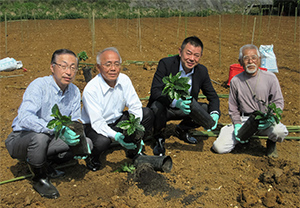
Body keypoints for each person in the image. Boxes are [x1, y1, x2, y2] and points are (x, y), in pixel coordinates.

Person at [5, 49, 92, 199]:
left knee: (87, 143)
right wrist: (56, 128)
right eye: (63, 66)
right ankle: (39, 178)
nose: (68, 72)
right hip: (22, 138)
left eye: (73, 67)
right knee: (40, 138)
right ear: (52, 67)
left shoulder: (75, 91)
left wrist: (79, 141)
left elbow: (75, 119)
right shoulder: (39, 86)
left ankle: (45, 161)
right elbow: (24, 117)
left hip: (50, 139)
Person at [81, 47, 154, 171]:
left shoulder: (124, 80)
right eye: (108, 64)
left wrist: (136, 129)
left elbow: (135, 105)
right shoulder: (91, 89)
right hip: (94, 126)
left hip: (117, 120)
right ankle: (93, 157)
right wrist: (117, 136)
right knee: (102, 142)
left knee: (147, 114)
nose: (113, 68)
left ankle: (132, 149)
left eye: (116, 64)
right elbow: (98, 123)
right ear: (98, 68)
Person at [147, 36, 221, 156]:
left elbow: (213, 96)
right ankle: (159, 138)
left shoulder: (201, 71)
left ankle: (182, 129)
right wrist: (176, 103)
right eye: (189, 53)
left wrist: (214, 114)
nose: (192, 59)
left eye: (196, 55)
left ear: (200, 57)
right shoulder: (166, 64)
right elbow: (155, 91)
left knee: (206, 110)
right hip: (166, 109)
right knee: (156, 106)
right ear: (180, 52)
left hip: (186, 110)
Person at [212, 44, 288, 157]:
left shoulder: (270, 78)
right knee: (219, 147)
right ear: (240, 61)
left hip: (264, 121)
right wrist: (237, 124)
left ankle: (271, 142)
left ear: (259, 60)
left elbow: (278, 101)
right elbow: (233, 107)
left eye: (254, 58)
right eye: (246, 58)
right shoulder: (236, 81)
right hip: (244, 120)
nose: (250, 61)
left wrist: (272, 116)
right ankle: (242, 138)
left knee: (280, 131)